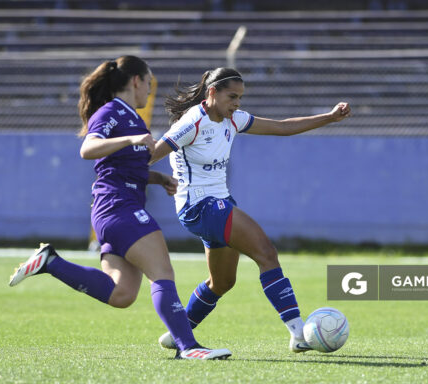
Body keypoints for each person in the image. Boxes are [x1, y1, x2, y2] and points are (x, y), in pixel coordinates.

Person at [8, 56, 231, 360]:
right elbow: (88, 149)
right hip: (119, 207)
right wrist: (130, 139)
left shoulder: (132, 116)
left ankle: (51, 263)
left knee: (121, 294)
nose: (150, 90)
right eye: (149, 83)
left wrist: (156, 177)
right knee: (162, 271)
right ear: (135, 81)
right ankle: (188, 348)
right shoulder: (112, 112)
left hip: (113, 209)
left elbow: (119, 166)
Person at [149, 67, 351, 353]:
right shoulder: (192, 121)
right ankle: (298, 332)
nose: (237, 103)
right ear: (212, 93)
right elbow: (153, 153)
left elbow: (282, 127)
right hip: (199, 205)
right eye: (232, 96)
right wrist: (116, 179)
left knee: (222, 282)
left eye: (240, 97)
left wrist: (329, 118)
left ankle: (179, 332)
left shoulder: (234, 120)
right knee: (266, 253)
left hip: (218, 204)